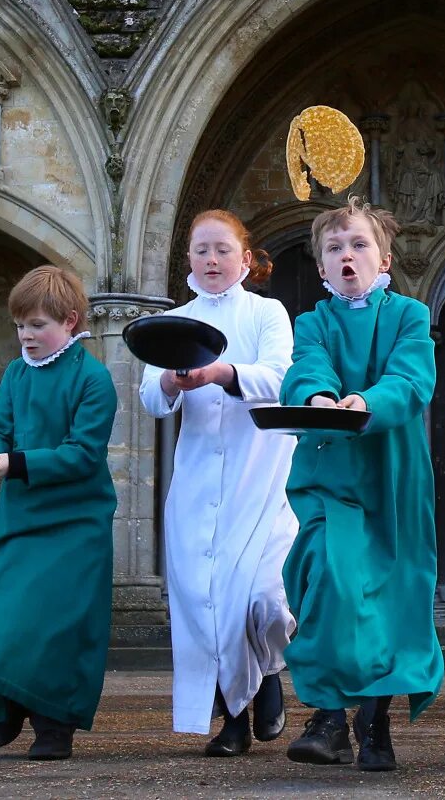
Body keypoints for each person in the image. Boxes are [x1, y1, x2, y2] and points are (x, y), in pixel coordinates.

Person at [279, 196, 444, 772]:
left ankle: (374, 720)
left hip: (392, 476)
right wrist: (321, 397)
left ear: (385, 257)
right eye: (334, 248)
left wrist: (366, 401)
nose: (347, 256)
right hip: (330, 472)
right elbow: (307, 367)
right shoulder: (312, 321)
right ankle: (328, 714)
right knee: (331, 576)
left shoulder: (410, 316)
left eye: (358, 245)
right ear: (321, 267)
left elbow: (410, 378)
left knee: (388, 598)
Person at [0, 266, 118, 761]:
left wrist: (16, 463)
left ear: (71, 321)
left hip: (76, 523)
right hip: (21, 516)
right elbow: (1, 427)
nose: (26, 336)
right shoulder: (16, 372)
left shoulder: (94, 378)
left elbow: (83, 454)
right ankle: (3, 706)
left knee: (57, 626)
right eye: (20, 326)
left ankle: (54, 727)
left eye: (37, 325)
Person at [138, 209, 298, 757]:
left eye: (223, 249)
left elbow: (281, 377)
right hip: (199, 477)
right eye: (202, 249)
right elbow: (150, 399)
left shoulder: (268, 312)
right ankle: (232, 719)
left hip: (262, 473)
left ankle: (268, 668)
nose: (211, 259)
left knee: (265, 599)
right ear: (189, 259)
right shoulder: (175, 319)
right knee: (207, 601)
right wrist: (169, 378)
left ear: (245, 259)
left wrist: (222, 373)